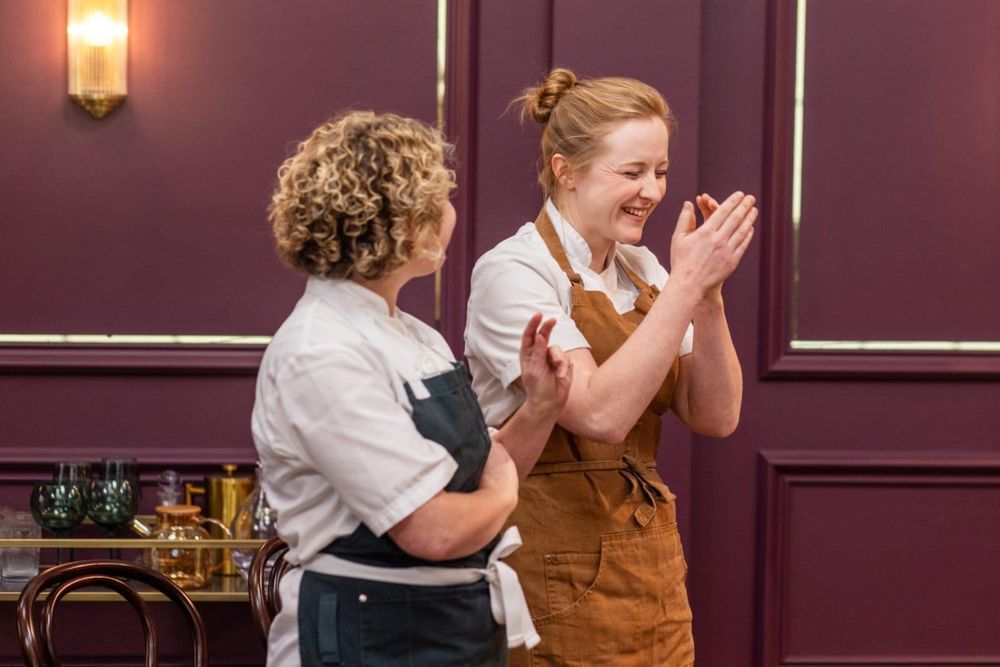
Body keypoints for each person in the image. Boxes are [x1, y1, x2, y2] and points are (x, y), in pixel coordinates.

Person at [252, 111, 572, 666]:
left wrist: (541, 407)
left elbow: (485, 468)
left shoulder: (413, 334)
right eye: (440, 200)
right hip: (365, 635)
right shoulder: (320, 351)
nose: (452, 214)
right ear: (401, 222)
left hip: (451, 627)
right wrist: (504, 494)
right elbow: (434, 530)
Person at [464, 68, 757, 665]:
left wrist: (708, 299)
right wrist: (684, 289)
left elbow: (717, 415)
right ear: (564, 170)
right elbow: (599, 413)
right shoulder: (514, 273)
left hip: (648, 568)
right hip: (548, 564)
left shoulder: (645, 269)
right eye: (631, 172)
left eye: (661, 170)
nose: (652, 190)